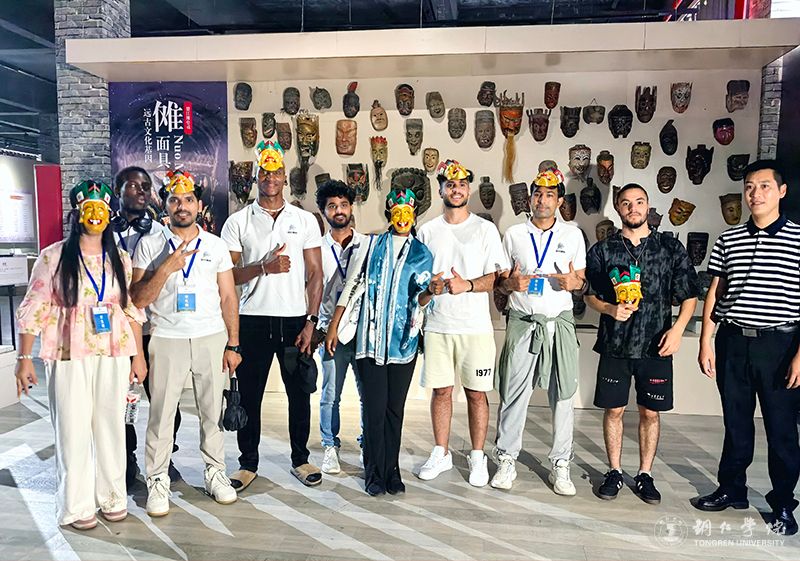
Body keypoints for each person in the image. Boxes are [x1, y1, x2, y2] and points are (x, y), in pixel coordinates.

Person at [15, 180, 146, 530]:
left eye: (101, 209)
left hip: (113, 350)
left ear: (109, 214)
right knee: (72, 426)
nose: (95, 215)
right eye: (89, 209)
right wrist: (23, 359)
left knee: (111, 424)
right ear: (78, 213)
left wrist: (138, 356)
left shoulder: (120, 258)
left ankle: (113, 496)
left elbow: (128, 308)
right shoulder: (54, 256)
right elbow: (35, 306)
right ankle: (76, 504)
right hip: (68, 351)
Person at [695, 160, 800, 535]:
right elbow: (716, 291)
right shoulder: (729, 239)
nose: (755, 193)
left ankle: (783, 503)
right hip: (733, 341)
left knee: (781, 429)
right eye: (750, 187)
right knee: (735, 422)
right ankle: (731, 489)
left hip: (780, 345)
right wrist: (706, 340)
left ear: (781, 191)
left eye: (764, 186)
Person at [130, 169, 240, 517]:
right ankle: (157, 479)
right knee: (161, 415)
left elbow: (228, 297)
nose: (182, 206)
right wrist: (166, 268)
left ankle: (215, 472)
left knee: (212, 412)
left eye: (189, 199)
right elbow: (137, 299)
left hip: (211, 337)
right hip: (166, 338)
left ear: (199, 205)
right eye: (175, 200)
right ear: (165, 205)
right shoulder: (149, 244)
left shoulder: (215, 245)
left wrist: (233, 344)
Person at [585, 183, 699, 505]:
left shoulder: (669, 247)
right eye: (626, 203)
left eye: (639, 202)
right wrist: (609, 309)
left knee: (650, 413)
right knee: (614, 410)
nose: (632, 208)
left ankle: (645, 474)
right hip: (615, 345)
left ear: (648, 207)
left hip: (656, 344)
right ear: (618, 208)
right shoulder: (603, 250)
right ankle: (614, 471)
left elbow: (690, 293)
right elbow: (590, 295)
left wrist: (677, 330)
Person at [220, 141, 324, 489]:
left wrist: (311, 321)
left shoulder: (304, 220)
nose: (270, 178)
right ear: (256, 177)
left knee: (299, 393)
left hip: (294, 320)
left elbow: (316, 274)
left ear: (284, 177)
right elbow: (227, 276)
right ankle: (247, 463)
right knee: (250, 396)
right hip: (252, 319)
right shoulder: (238, 222)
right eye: (264, 172)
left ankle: (301, 459)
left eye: (276, 172)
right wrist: (263, 267)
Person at [325, 188, 434, 496]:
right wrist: (333, 326)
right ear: (389, 214)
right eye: (397, 212)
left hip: (402, 344)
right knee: (374, 410)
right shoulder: (371, 245)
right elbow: (352, 284)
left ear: (414, 216)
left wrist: (432, 292)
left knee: (394, 411)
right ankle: (373, 472)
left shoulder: (422, 253)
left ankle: (392, 471)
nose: (402, 218)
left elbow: (420, 299)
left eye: (407, 213)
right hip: (369, 342)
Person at [491, 168, 586, 493]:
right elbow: (501, 283)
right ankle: (506, 459)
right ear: (530, 198)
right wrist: (510, 284)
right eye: (537, 194)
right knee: (513, 393)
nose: (542, 200)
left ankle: (561, 464)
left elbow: (581, 280)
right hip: (523, 323)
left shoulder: (572, 235)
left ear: (560, 201)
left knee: (564, 395)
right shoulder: (514, 234)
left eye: (549, 195)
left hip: (559, 324)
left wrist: (575, 283)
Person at [415, 159, 507, 487]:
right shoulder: (427, 230)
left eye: (462, 185)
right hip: (438, 325)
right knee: (441, 391)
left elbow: (498, 278)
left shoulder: (485, 229)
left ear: (469, 189)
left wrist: (466, 284)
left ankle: (477, 456)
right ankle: (441, 452)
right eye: (450, 185)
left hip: (475, 327)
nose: (457, 190)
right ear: (440, 189)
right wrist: (431, 287)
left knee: (477, 394)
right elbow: (419, 281)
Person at [112, 166, 182, 488]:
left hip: (154, 330)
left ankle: (166, 455)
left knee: (166, 401)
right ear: (118, 190)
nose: (141, 191)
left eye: (145, 186)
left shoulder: (162, 233)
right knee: (120, 400)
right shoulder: (102, 233)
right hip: (115, 334)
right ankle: (126, 458)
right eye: (133, 186)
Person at [316, 179, 367, 474]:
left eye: (344, 205)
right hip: (329, 331)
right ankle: (329, 446)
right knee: (330, 394)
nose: (339, 210)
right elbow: (311, 289)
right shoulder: (317, 248)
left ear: (351, 208)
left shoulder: (367, 245)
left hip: (362, 330)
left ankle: (366, 443)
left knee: (367, 393)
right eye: (332, 206)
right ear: (324, 211)